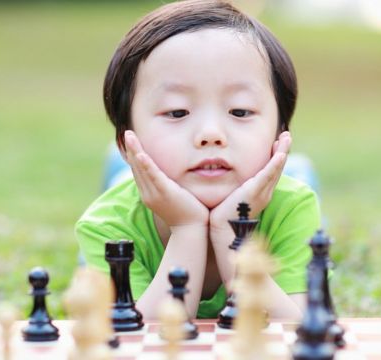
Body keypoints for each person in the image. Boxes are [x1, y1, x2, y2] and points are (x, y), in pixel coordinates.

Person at [75, 0, 321, 320]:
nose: (210, 134)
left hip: (279, 186)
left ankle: (299, 165)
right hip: (135, 189)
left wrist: (231, 232)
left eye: (240, 111)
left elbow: (299, 329)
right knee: (121, 183)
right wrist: (187, 227)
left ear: (279, 135)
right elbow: (139, 339)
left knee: (300, 176)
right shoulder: (106, 226)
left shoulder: (293, 207)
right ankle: (119, 167)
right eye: (177, 112)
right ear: (126, 141)